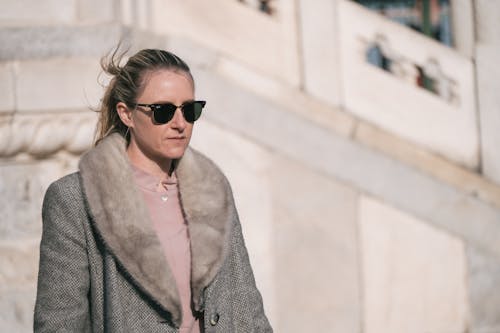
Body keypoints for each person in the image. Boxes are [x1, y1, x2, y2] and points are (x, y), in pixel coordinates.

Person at [34, 48, 272, 332]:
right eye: (163, 111)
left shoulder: (214, 191)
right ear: (127, 114)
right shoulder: (76, 200)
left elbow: (248, 310)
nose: (179, 123)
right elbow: (59, 324)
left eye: (190, 110)